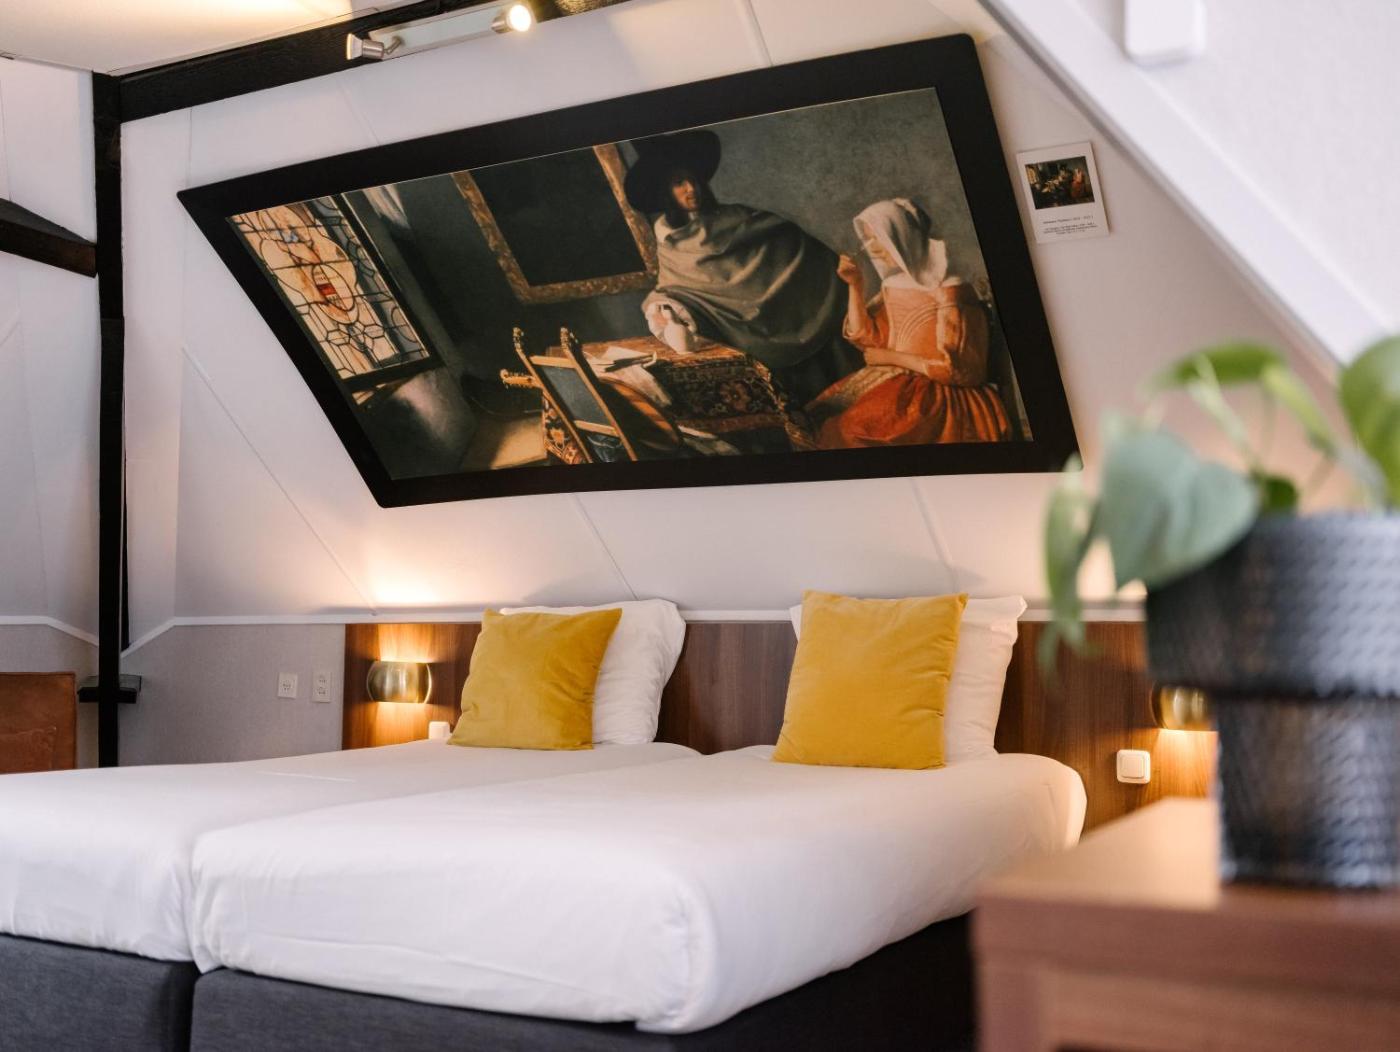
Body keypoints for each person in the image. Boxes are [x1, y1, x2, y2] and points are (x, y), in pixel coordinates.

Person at [623, 130, 859, 407]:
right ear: (665, 192)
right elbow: (675, 289)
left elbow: (791, 242)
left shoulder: (740, 218)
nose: (691, 188)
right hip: (741, 336)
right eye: (679, 183)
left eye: (693, 179)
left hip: (785, 316)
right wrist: (661, 305)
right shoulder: (670, 244)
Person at [809, 198, 1010, 448]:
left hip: (942, 396)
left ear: (902, 236)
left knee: (853, 430)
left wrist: (890, 358)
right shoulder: (892, 285)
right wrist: (855, 286)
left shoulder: (950, 288)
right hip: (898, 383)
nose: (872, 248)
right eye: (868, 239)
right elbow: (866, 338)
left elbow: (958, 370)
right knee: (819, 418)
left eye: (879, 238)